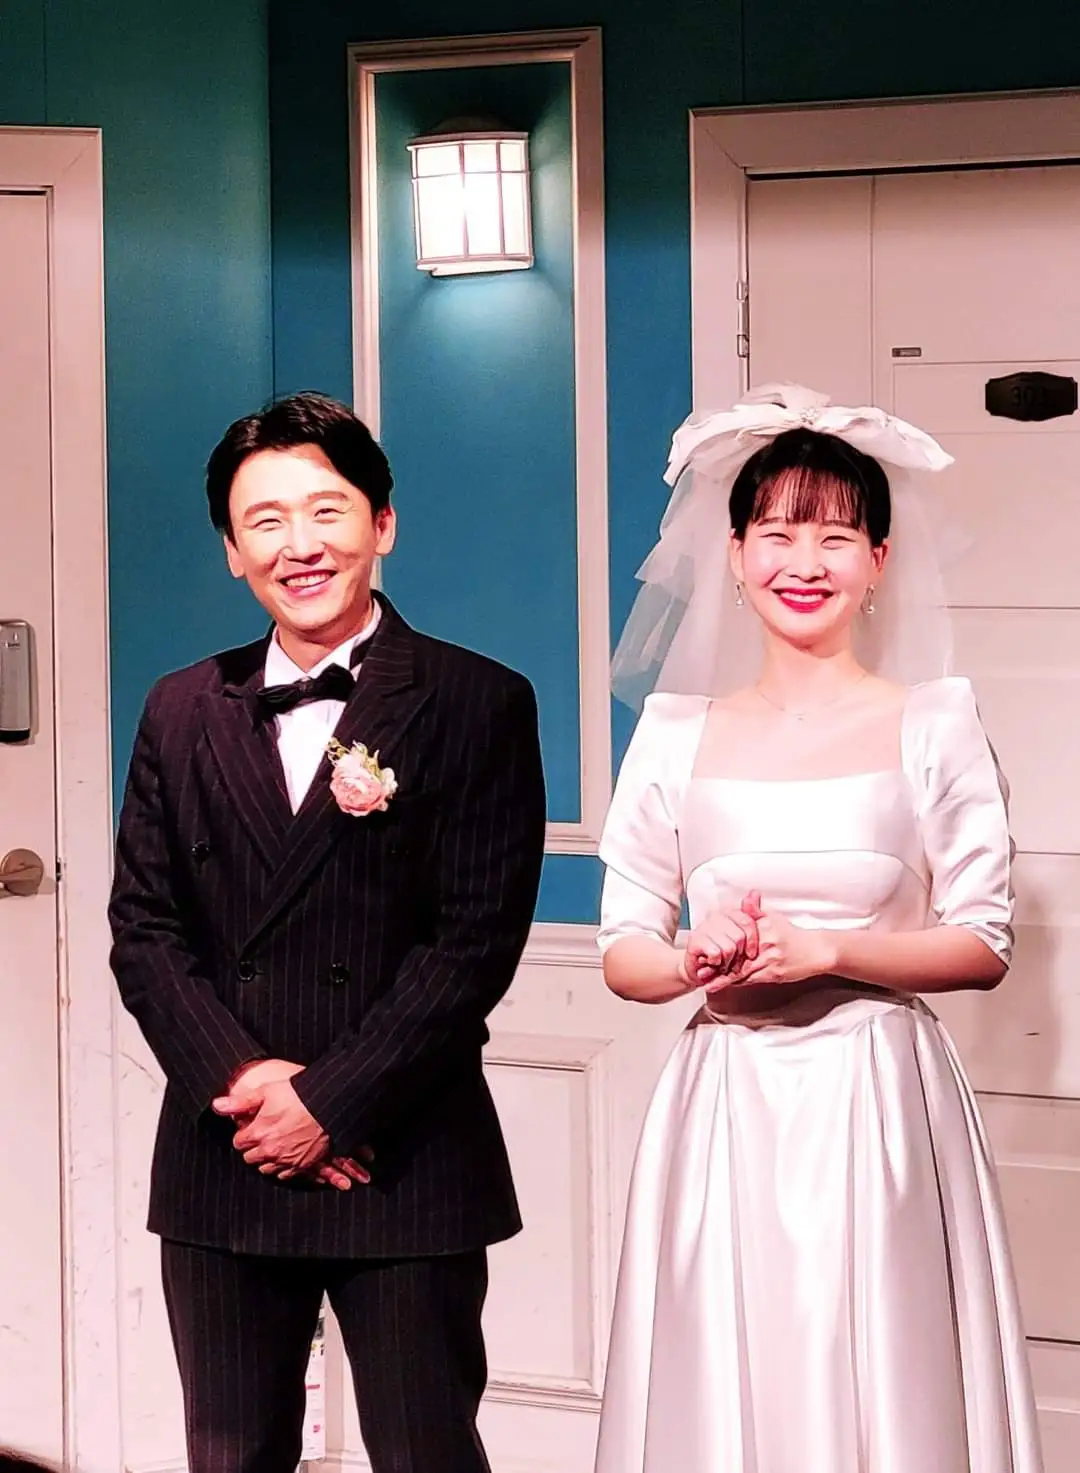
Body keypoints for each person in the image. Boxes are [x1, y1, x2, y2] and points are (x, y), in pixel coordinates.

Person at [594, 384, 1042, 1472]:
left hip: (876, 1098)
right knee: (725, 1380)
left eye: (837, 537)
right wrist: (691, 959)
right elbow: (623, 950)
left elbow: (983, 942)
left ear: (878, 561)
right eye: (778, 534)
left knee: (886, 1378)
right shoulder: (673, 733)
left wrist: (835, 950)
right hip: (725, 1101)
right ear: (735, 555)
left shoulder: (934, 721)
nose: (806, 561)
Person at [109, 391, 547, 1473]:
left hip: (405, 1152)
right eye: (264, 521)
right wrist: (252, 1087)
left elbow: (472, 944)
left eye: (326, 510)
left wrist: (331, 1104)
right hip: (228, 1152)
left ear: (381, 522)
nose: (298, 545)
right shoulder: (179, 707)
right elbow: (144, 929)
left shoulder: (478, 700)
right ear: (231, 551)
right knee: (230, 1457)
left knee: (426, 1453)